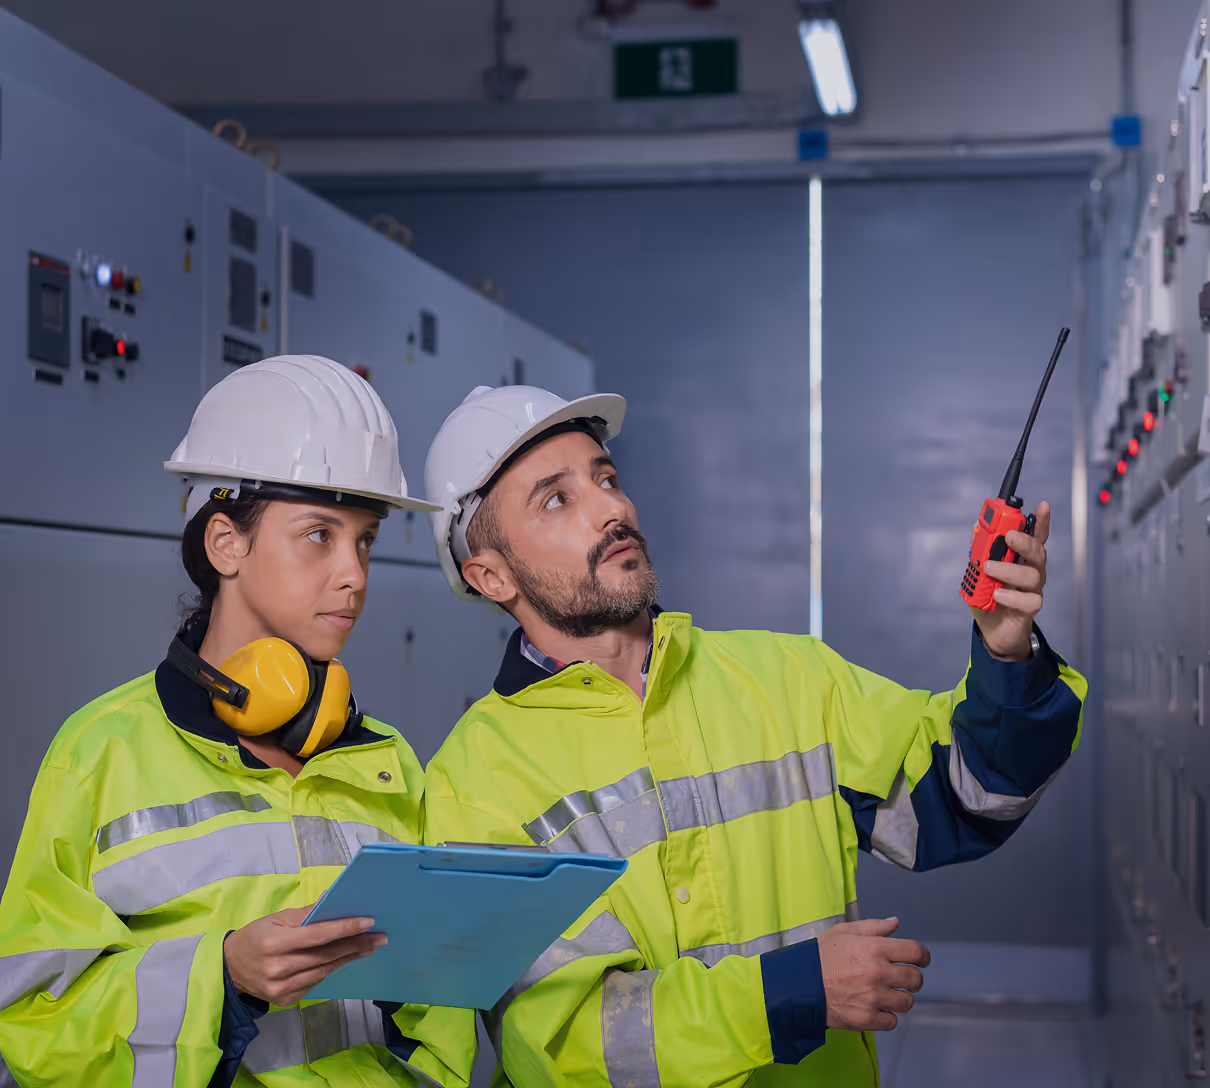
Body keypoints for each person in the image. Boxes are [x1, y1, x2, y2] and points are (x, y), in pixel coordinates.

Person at [420, 384, 1087, 1087]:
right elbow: (561, 1043)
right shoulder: (474, 780)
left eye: (606, 478)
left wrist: (1008, 656)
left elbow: (968, 795)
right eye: (557, 499)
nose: (612, 508)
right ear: (490, 575)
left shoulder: (787, 678)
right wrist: (787, 995)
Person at [0, 356, 475, 1088]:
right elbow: (32, 1019)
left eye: (365, 540)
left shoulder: (386, 761)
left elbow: (440, 1019)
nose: (353, 573)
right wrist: (223, 977)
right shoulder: (100, 754)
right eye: (319, 535)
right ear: (225, 543)